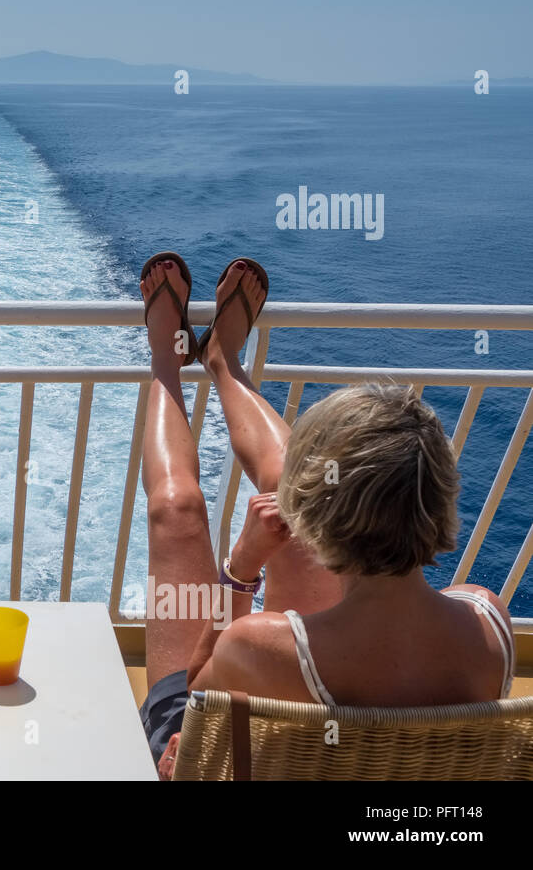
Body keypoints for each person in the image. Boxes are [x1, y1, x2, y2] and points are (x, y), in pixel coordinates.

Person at [137, 255, 514, 779]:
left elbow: (199, 697)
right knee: (277, 481)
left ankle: (165, 360)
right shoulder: (489, 620)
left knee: (175, 506)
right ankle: (222, 359)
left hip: (227, 753)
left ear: (316, 526)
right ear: (440, 501)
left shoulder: (258, 644)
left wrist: (241, 568)